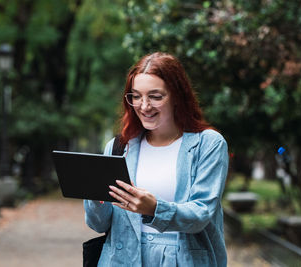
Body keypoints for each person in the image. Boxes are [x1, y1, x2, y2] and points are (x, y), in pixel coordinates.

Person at [84, 52, 229, 266]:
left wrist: (154, 208)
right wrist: (94, 198)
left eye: (155, 96)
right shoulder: (119, 147)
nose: (144, 106)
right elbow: (98, 224)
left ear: (178, 96)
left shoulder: (208, 144)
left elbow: (201, 213)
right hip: (122, 259)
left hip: (182, 259)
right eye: (135, 96)